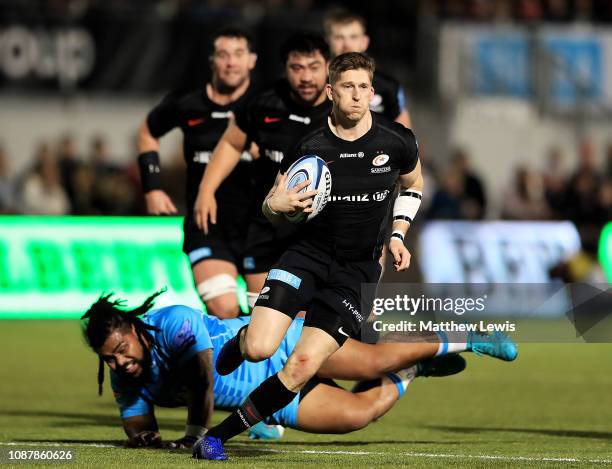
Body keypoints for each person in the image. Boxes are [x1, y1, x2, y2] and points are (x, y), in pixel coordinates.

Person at [195, 52, 516, 460]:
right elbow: (271, 205)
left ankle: (217, 437)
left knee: (301, 367)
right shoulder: (310, 145)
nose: (359, 95)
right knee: (260, 349)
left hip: (357, 272)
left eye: (365, 87)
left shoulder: (396, 140)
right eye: (348, 86)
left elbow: (414, 186)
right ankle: (241, 341)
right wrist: (279, 205)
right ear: (331, 92)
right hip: (304, 258)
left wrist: (398, 234)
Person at [81, 291, 516, 452]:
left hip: (283, 346)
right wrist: (143, 436)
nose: (119, 362)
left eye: (120, 349)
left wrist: (196, 435)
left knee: (372, 360)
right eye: (109, 359)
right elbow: (136, 421)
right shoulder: (125, 374)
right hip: (271, 402)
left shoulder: (173, 322)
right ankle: (418, 365)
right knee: (356, 415)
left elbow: (202, 381)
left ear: (132, 328)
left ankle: (468, 334)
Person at [194, 33, 332, 308]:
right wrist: (206, 190)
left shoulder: (340, 110)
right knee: (261, 317)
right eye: (297, 68)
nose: (305, 77)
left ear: (328, 66)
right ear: (285, 68)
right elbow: (232, 144)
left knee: (303, 329)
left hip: (318, 234)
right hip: (266, 229)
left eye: (314, 67)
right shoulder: (264, 103)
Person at [137, 27, 257, 319]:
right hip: (207, 227)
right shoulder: (187, 102)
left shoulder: (268, 104)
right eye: (224, 55)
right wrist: (152, 187)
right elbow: (148, 132)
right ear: (212, 61)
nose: (231, 63)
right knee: (224, 309)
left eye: (238, 55)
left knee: (268, 320)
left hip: (259, 228)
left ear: (252, 60)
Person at [323, 7, 412, 128]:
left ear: (364, 42)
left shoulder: (388, 87)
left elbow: (405, 138)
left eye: (353, 37)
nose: (347, 45)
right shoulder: (313, 84)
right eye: (339, 37)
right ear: (327, 41)